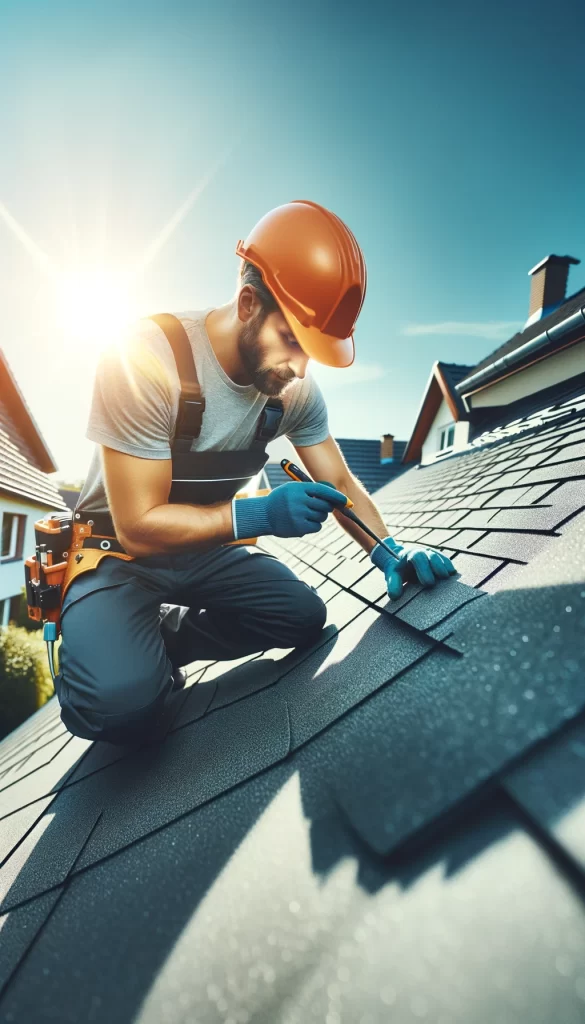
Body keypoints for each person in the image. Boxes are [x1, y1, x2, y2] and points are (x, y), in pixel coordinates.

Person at [54, 199, 456, 746]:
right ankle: (103, 651)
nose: (299, 370)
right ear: (247, 303)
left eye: (313, 350)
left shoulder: (289, 391)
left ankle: (163, 639)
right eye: (293, 340)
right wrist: (262, 512)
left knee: (300, 617)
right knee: (121, 705)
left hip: (204, 550)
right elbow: (139, 526)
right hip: (116, 554)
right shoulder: (144, 358)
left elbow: (340, 482)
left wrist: (388, 548)